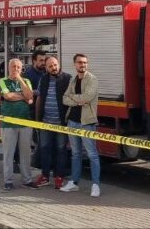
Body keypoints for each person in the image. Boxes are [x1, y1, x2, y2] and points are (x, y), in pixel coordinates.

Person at [61, 53, 101, 197]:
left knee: (92, 155)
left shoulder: (92, 79)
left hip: (87, 123)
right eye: (79, 62)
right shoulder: (73, 80)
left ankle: (96, 185)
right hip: (72, 121)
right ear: (75, 64)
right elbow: (64, 99)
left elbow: (87, 97)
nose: (82, 65)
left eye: (85, 62)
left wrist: (73, 98)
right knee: (75, 154)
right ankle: (74, 183)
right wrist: (78, 101)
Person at [31, 56, 71, 189]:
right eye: (50, 66)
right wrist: (37, 120)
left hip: (61, 123)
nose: (54, 68)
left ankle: (59, 177)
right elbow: (39, 98)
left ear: (59, 64)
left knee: (61, 150)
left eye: (55, 65)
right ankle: (45, 176)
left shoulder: (67, 78)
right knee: (44, 149)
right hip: (45, 122)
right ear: (46, 68)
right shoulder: (44, 79)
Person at [0, 58, 35, 191]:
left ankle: (27, 180)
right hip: (8, 123)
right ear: (9, 68)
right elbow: (8, 96)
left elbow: (30, 96)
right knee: (8, 153)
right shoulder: (3, 81)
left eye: (18, 67)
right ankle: (8, 181)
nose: (16, 69)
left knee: (26, 153)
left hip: (25, 121)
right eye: (13, 67)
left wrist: (20, 80)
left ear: (21, 69)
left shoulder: (26, 81)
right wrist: (23, 97)